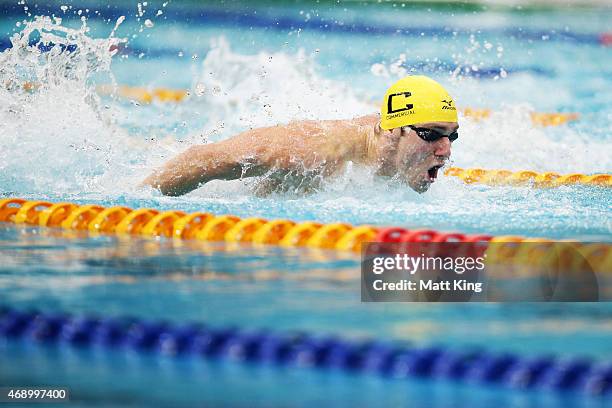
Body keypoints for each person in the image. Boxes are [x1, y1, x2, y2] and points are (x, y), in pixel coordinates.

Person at [143, 75, 459, 196]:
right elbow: (205, 159)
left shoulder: (403, 153)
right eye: (431, 134)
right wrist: (140, 204)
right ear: (394, 131)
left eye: (451, 136)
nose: (445, 150)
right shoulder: (315, 150)